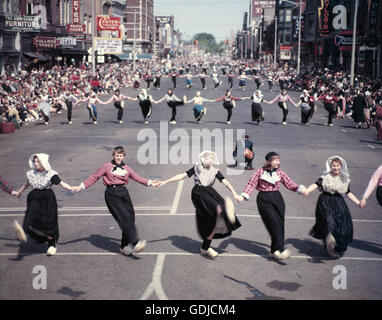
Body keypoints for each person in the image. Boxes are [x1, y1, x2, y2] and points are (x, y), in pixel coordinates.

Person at [72, 146, 160, 256]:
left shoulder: (127, 168)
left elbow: (137, 177)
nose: (118, 157)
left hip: (123, 192)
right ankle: (135, 242)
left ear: (124, 156)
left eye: (121, 156)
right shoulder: (106, 166)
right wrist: (82, 186)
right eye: (117, 155)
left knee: (130, 216)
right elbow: (95, 177)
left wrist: (151, 182)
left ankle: (124, 246)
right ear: (113, 155)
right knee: (125, 217)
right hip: (111, 194)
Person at [158, 151, 241, 259]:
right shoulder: (196, 168)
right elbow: (181, 176)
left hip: (210, 193)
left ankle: (205, 248)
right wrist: (165, 181)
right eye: (206, 158)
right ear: (202, 160)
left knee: (213, 223)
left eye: (210, 158)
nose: (209, 160)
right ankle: (222, 210)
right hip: (199, 193)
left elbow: (225, 181)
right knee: (219, 208)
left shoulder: (215, 171)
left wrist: (234, 193)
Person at [236, 152, 306, 260]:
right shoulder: (259, 172)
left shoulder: (279, 172)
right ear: (270, 161)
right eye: (276, 160)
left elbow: (290, 184)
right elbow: (251, 184)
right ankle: (281, 249)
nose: (278, 162)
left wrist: (301, 189)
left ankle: (274, 251)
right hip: (264, 199)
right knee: (273, 223)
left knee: (280, 223)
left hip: (277, 198)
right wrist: (243, 196)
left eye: (279, 160)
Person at [12, 154, 74, 256]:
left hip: (47, 198)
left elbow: (61, 183)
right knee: (30, 217)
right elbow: (27, 184)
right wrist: (19, 192)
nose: (35, 164)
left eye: (38, 162)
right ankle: (25, 230)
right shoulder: (32, 173)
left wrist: (71, 188)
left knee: (48, 222)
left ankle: (52, 244)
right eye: (34, 161)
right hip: (34, 197)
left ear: (43, 162)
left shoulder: (50, 174)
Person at [301, 156, 360, 258]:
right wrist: (307, 190)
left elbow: (348, 193)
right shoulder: (325, 177)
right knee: (329, 223)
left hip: (339, 203)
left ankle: (334, 242)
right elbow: (315, 185)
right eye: (333, 166)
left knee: (343, 225)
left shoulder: (344, 179)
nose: (336, 168)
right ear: (330, 166)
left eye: (337, 166)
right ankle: (330, 246)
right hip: (325, 202)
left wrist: (358, 203)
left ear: (341, 166)